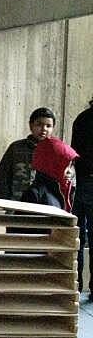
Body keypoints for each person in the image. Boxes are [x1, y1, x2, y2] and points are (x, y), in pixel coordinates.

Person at [0, 107, 56, 201]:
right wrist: (5, 200)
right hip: (17, 204)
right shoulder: (16, 148)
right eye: (39, 124)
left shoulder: (56, 151)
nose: (44, 129)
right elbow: (2, 175)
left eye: (48, 126)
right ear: (31, 125)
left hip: (45, 206)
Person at [70, 96, 93, 298]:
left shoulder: (82, 118)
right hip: (84, 181)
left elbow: (75, 154)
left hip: (80, 181)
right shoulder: (83, 119)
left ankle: (75, 286)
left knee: (78, 236)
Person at [21, 136, 78, 212]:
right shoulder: (34, 195)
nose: (70, 171)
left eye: (71, 166)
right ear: (52, 165)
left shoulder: (63, 190)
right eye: (65, 166)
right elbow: (21, 222)